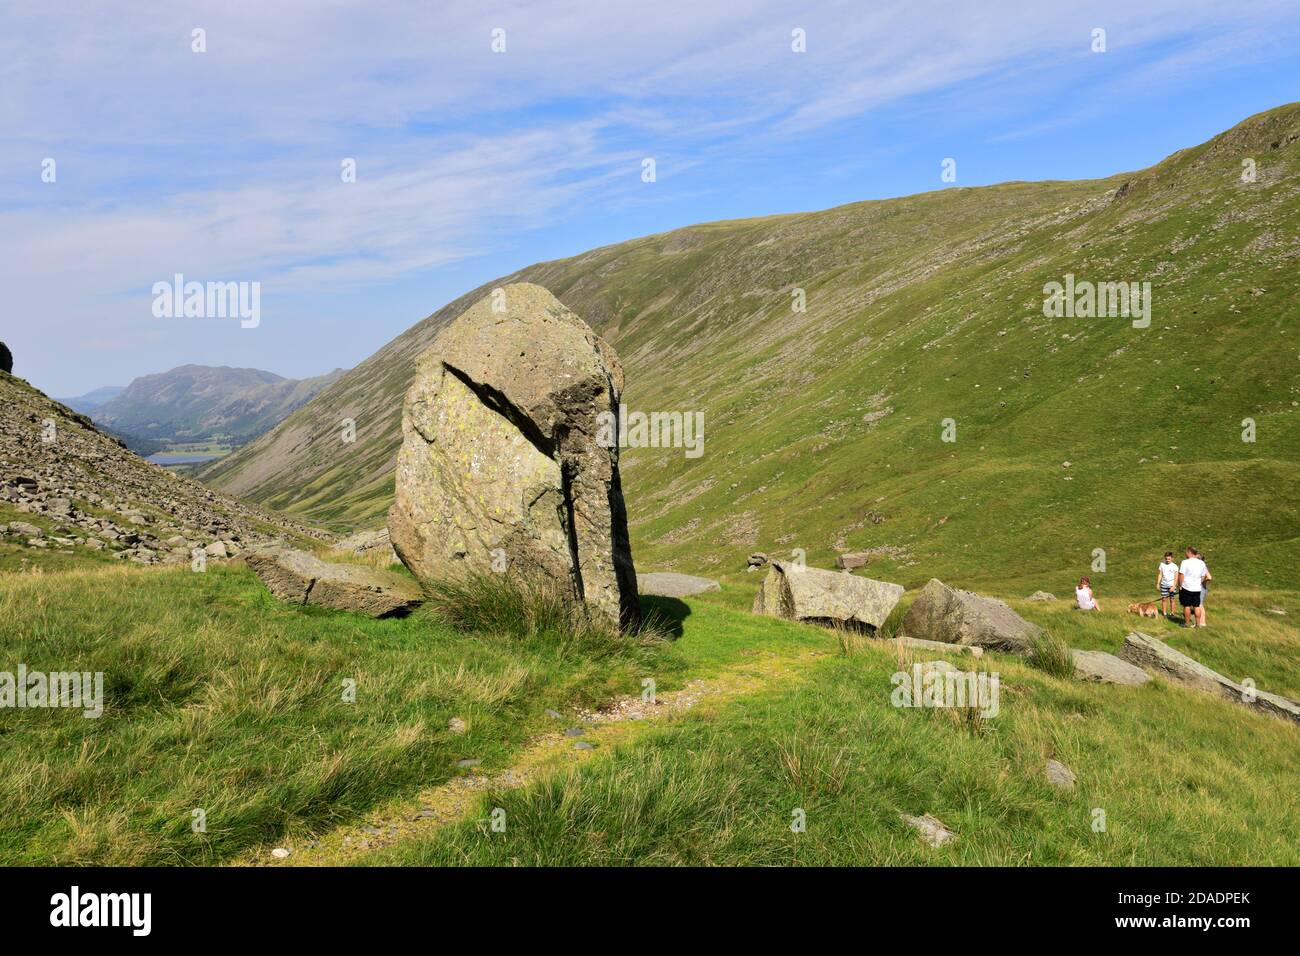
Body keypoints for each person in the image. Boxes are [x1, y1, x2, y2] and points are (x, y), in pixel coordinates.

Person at [1175, 546, 1209, 628]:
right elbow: (1203, 576)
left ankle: (1186, 623)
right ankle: (1198, 624)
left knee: (1187, 606)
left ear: (1190, 552)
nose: (1185, 554)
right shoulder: (1202, 563)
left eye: (1186, 552)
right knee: (1196, 606)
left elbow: (1181, 575)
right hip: (1197, 588)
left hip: (1186, 587)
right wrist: (1198, 583)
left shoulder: (1185, 562)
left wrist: (1180, 585)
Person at [1156, 551, 1179, 618]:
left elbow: (1176, 577)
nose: (1167, 560)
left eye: (1169, 559)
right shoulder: (1162, 564)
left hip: (1172, 585)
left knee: (1172, 599)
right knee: (1164, 599)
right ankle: (1164, 613)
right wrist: (1158, 583)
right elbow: (1160, 574)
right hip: (1164, 584)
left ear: (1172, 558)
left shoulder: (1175, 566)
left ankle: (1172, 614)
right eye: (1166, 559)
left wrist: (1174, 586)